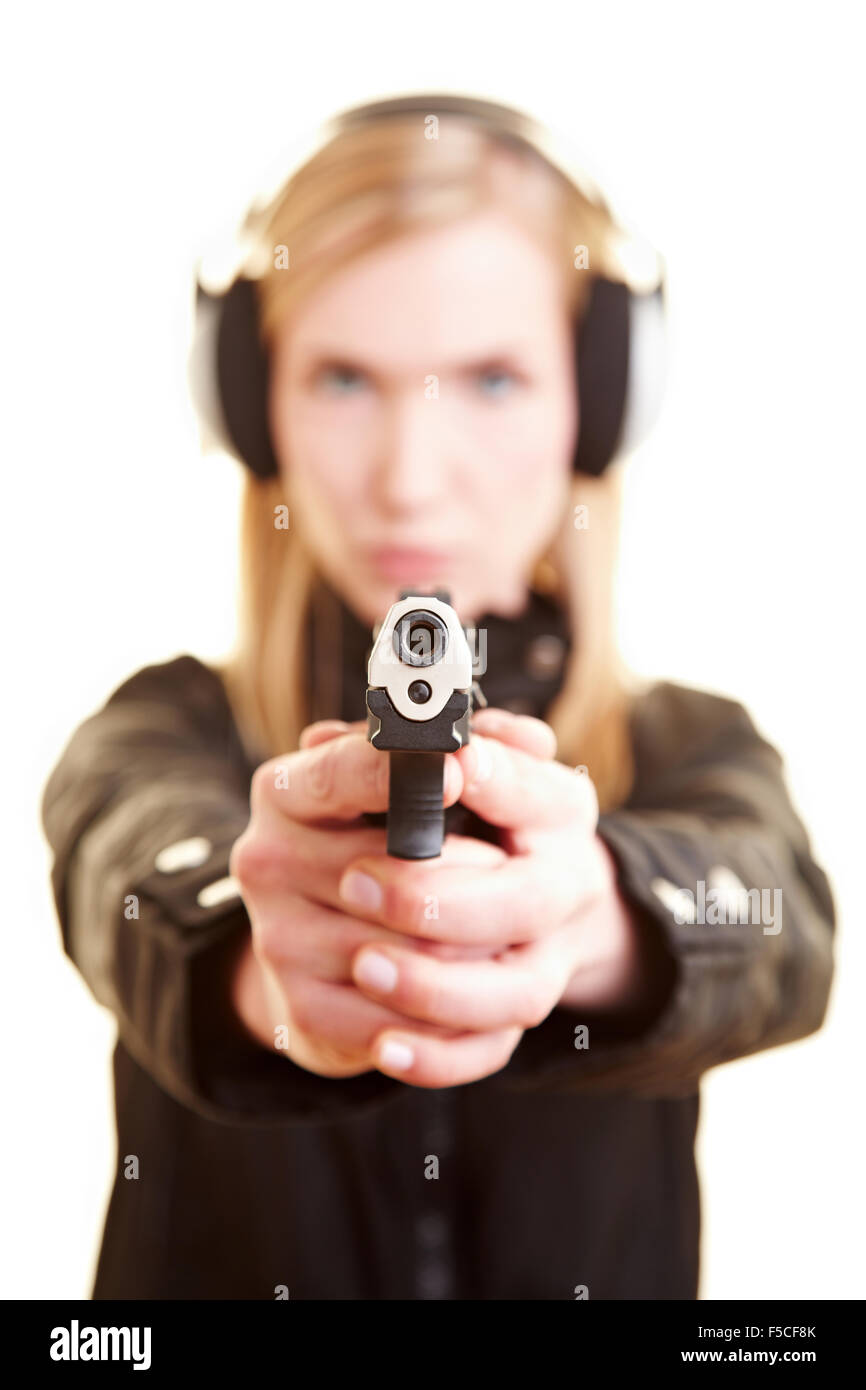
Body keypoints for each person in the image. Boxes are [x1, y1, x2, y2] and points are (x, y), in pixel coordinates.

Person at [41, 94, 835, 1301]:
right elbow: (131, 874)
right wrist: (261, 959)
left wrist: (599, 918)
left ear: (598, 401)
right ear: (255, 407)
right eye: (345, 379)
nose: (411, 479)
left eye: (493, 380)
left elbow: (780, 924)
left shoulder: (698, 748)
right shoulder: (156, 734)